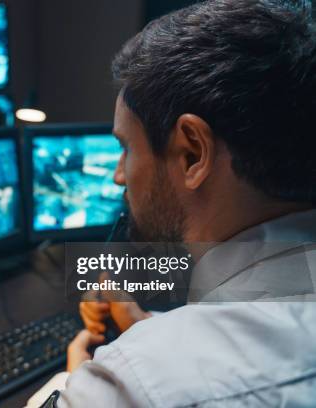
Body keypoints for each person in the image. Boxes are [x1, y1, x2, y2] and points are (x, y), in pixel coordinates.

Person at [26, 0, 316, 406]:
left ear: (192, 154)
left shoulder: (137, 382)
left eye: (126, 148)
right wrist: (147, 326)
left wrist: (77, 382)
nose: (118, 175)